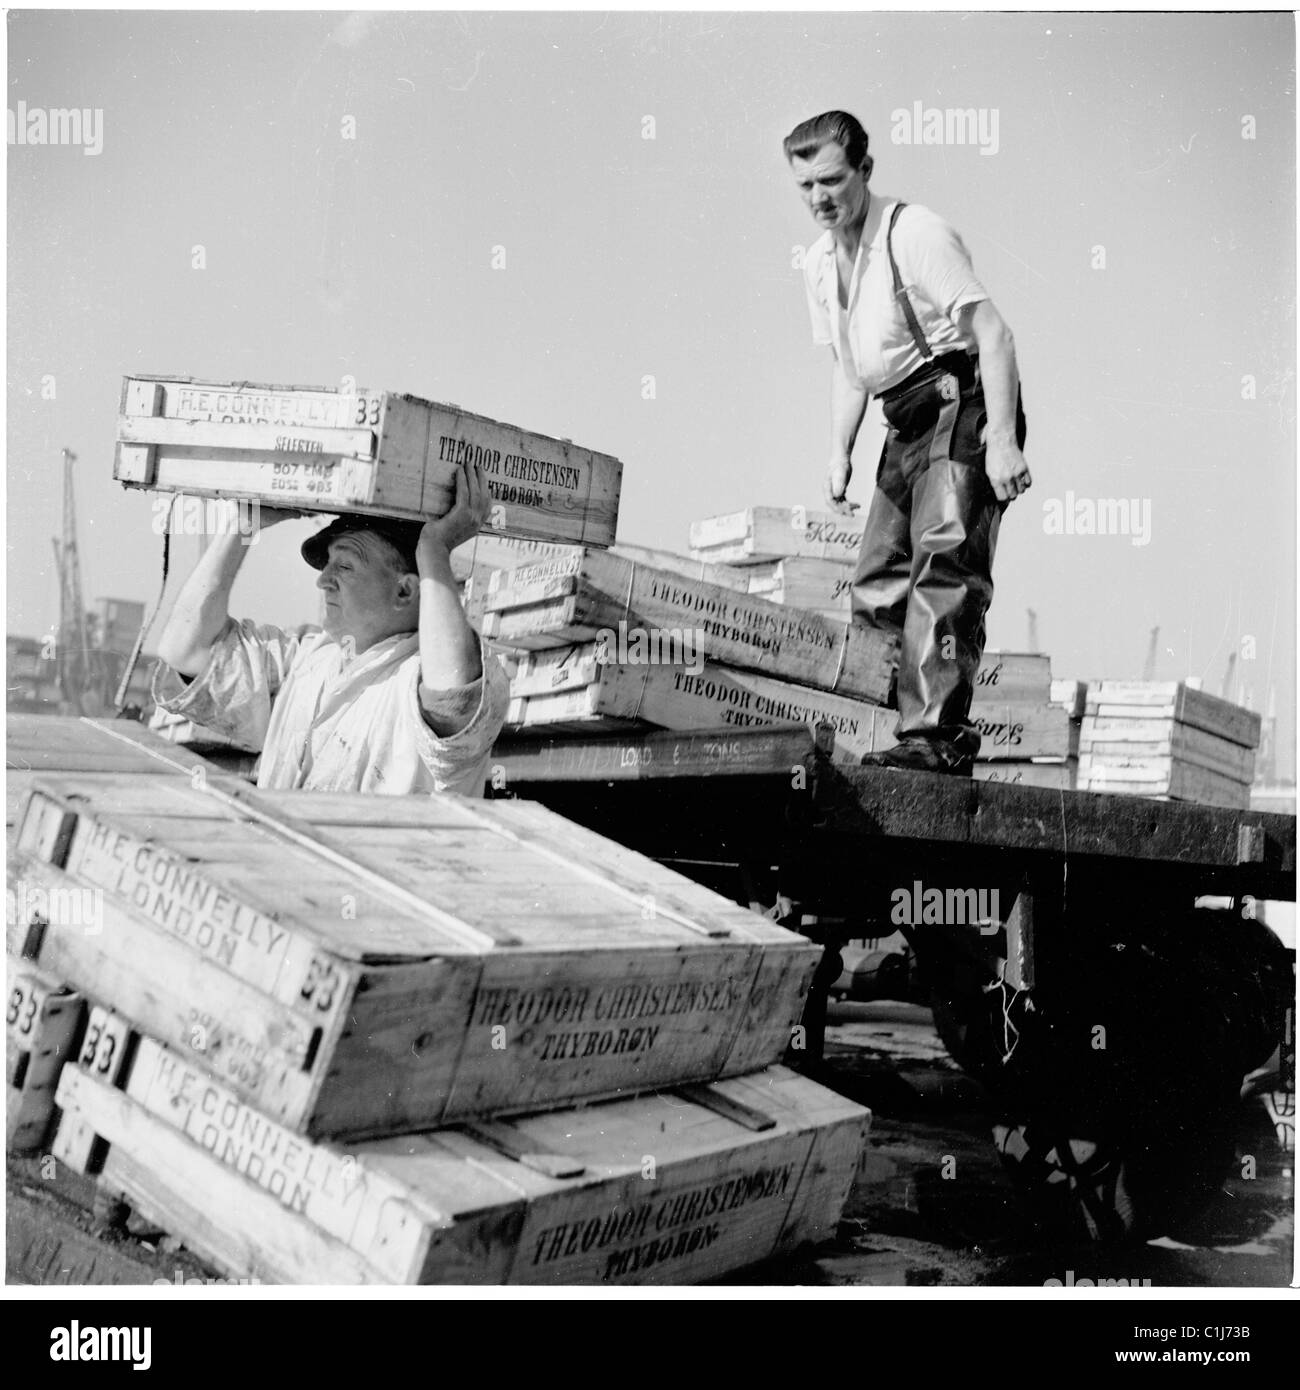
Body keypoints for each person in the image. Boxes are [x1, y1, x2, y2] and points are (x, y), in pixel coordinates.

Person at [786, 109, 1032, 775]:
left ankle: (936, 737)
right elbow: (848, 365)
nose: (820, 198)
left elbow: (995, 335)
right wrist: (839, 450)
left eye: (832, 180)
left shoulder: (912, 233)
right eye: (805, 186)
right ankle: (879, 729)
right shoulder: (816, 263)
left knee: (945, 567)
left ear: (865, 170)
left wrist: (1004, 442)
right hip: (903, 419)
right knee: (876, 584)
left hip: (965, 403)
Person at [152, 460, 509, 797]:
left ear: (404, 590)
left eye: (345, 566)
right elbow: (185, 649)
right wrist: (242, 524)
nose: (323, 581)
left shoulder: (416, 679)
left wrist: (434, 550)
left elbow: (451, 697)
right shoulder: (305, 662)